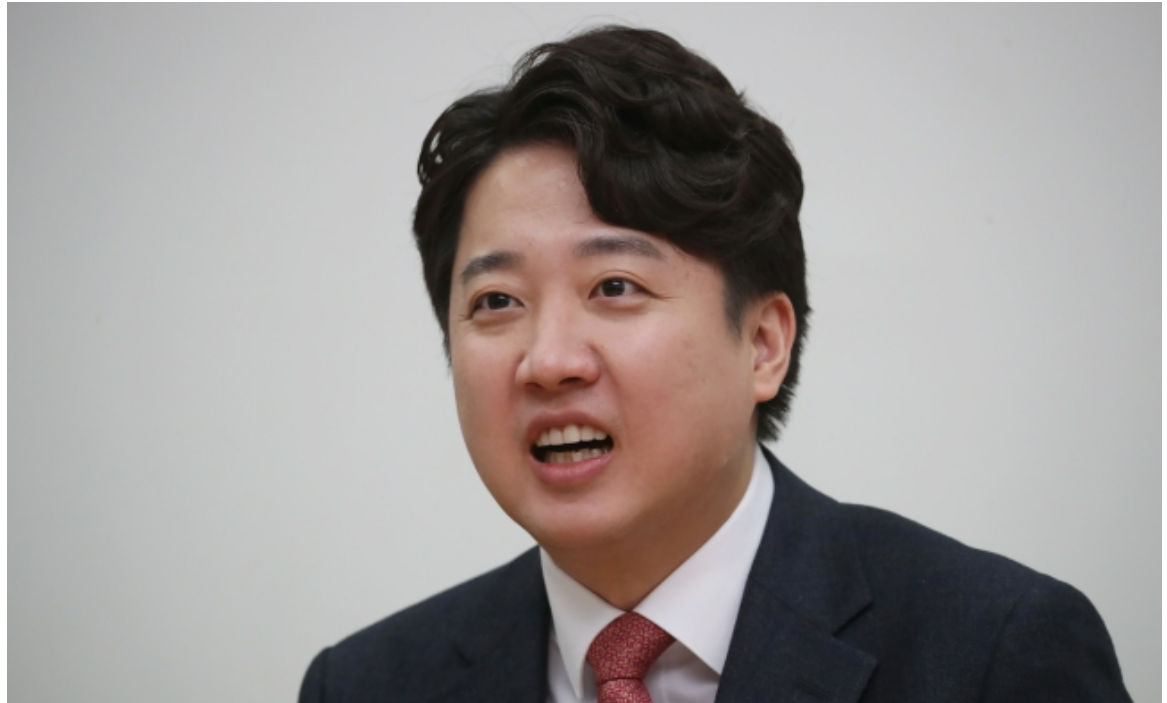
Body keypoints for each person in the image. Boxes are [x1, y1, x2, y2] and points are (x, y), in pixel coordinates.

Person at [298, 26, 1130, 703]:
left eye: (614, 286)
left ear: (763, 343)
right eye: (496, 301)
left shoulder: (993, 652)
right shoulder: (366, 684)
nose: (547, 360)